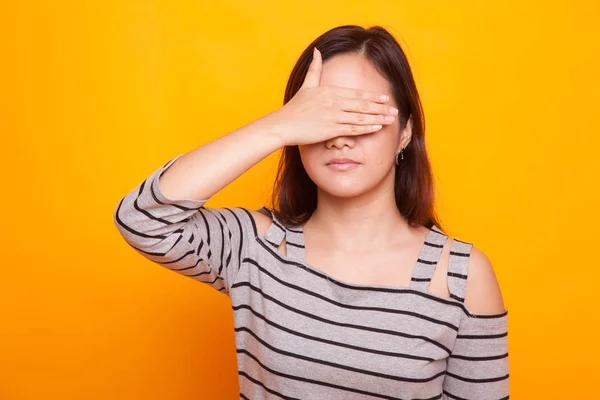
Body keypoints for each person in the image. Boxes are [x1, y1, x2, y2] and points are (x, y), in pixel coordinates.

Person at [114, 25, 509, 399]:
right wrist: (277, 128)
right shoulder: (257, 246)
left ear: (404, 131)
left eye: (361, 114)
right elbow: (142, 219)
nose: (339, 137)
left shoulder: (463, 275)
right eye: (322, 115)